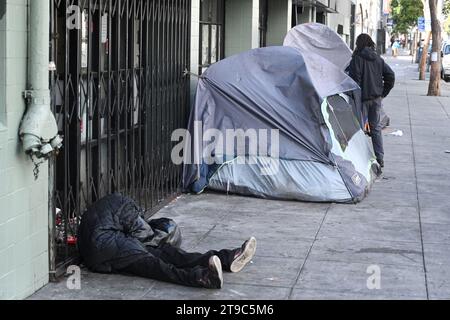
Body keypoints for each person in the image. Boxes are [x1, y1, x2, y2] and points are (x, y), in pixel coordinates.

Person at [78, 193, 257, 289]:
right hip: (109, 246)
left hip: (98, 250)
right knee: (158, 264)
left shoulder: (111, 204)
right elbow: (144, 233)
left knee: (166, 255)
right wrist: (156, 240)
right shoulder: (127, 206)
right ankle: (203, 277)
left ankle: (226, 259)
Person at [348, 34, 395, 169]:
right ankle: (380, 159)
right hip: (375, 99)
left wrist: (354, 97)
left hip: (362, 101)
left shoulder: (356, 59)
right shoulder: (378, 59)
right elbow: (390, 76)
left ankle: (360, 158)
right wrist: (382, 93)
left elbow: (354, 81)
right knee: (376, 129)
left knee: (358, 130)